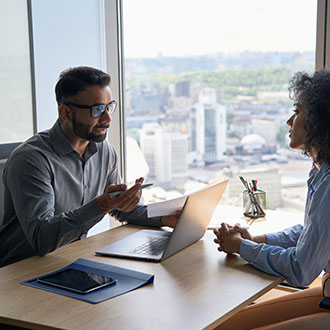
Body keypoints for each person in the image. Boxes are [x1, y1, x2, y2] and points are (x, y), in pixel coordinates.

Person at [0, 66, 179, 267]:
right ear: (66, 113)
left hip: (69, 260)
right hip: (19, 272)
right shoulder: (31, 160)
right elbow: (42, 239)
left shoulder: (104, 151)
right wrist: (102, 205)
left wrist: (164, 217)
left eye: (109, 107)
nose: (108, 119)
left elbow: (119, 208)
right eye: (97, 110)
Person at [213, 69, 330, 329]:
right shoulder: (320, 171)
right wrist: (257, 240)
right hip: (326, 291)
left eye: (297, 112)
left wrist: (241, 247)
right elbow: (312, 234)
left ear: (319, 121)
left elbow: (301, 270)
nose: (289, 121)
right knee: (227, 324)